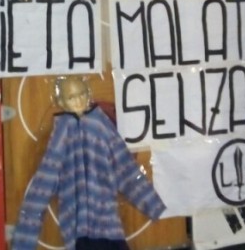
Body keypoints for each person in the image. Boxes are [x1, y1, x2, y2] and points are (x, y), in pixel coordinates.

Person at [11, 76, 166, 250]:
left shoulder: (100, 125)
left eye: (82, 94)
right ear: (61, 102)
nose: (78, 101)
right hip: (77, 227)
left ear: (88, 94)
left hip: (107, 222)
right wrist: (24, 240)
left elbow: (124, 166)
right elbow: (44, 182)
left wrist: (151, 204)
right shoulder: (62, 132)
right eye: (71, 97)